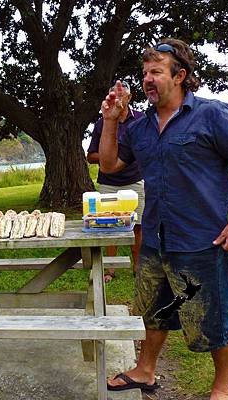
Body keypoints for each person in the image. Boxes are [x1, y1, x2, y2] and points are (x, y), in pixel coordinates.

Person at [98, 38, 228, 400]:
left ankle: (224, 388)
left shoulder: (213, 115)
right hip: (155, 240)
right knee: (154, 312)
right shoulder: (138, 126)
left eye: (156, 72)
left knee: (212, 319)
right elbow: (108, 164)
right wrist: (109, 120)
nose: (147, 79)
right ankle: (144, 370)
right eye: (144, 73)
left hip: (201, 240)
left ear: (180, 76)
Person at [87, 80, 145, 282]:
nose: (118, 98)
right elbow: (91, 155)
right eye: (114, 95)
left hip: (134, 181)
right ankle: (110, 270)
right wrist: (111, 156)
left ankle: (138, 267)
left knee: (137, 225)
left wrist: (126, 157)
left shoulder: (141, 119)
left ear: (130, 97)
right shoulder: (102, 123)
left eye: (122, 94)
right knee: (109, 225)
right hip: (108, 183)